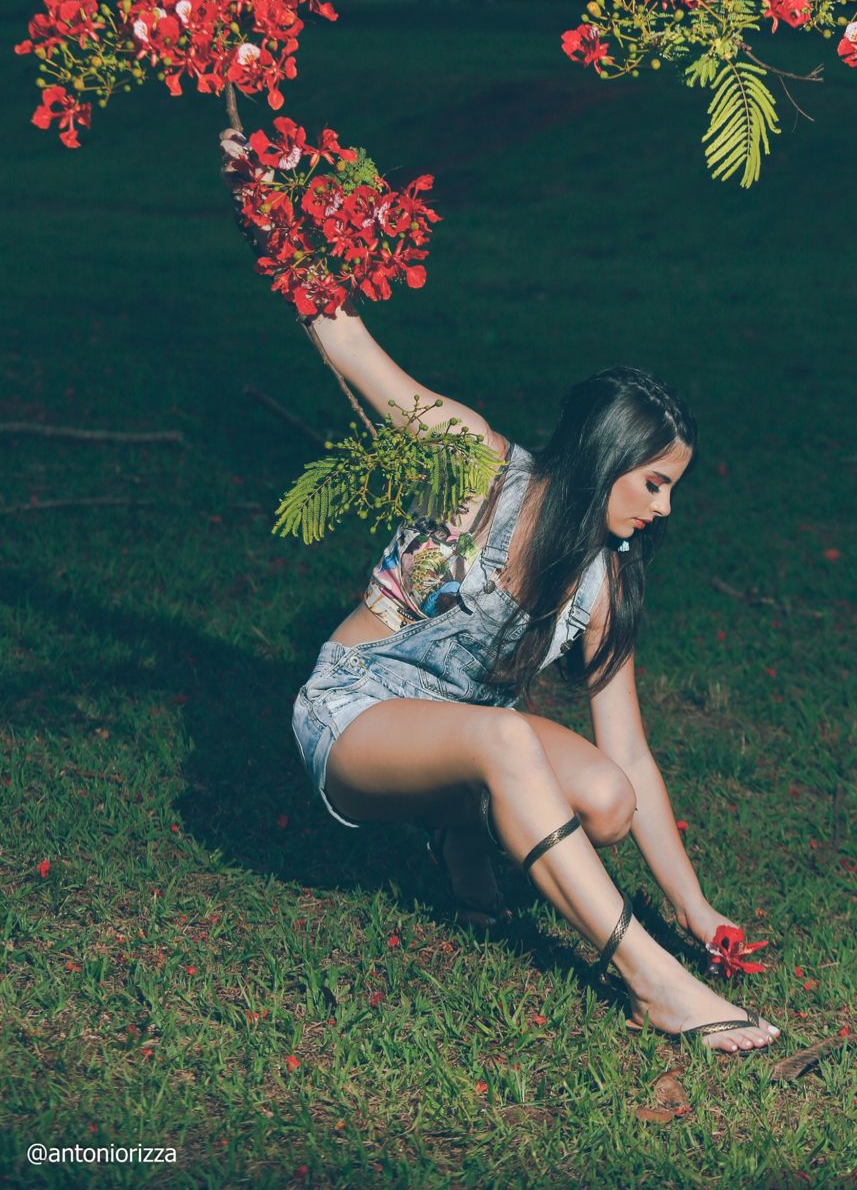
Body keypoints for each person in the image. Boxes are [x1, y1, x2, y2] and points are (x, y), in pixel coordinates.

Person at [220, 128, 782, 1056]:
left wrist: (696, 905)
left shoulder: (602, 579)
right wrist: (266, 198)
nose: (665, 506)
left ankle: (457, 833)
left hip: (468, 741)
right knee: (505, 734)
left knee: (603, 799)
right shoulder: (473, 465)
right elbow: (344, 338)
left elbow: (631, 760)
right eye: (654, 482)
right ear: (605, 459)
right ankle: (654, 985)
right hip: (357, 713)